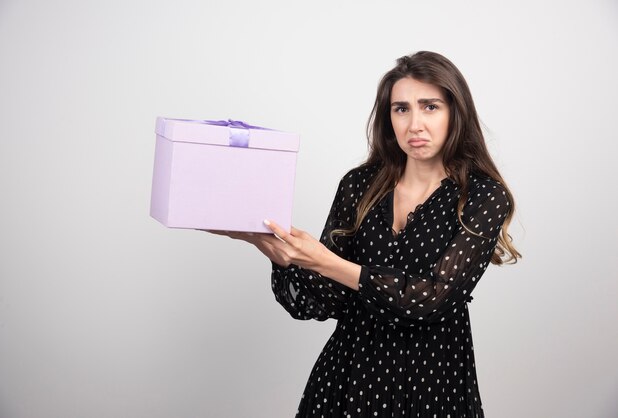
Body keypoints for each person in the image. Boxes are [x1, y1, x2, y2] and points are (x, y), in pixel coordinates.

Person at [214, 50, 520, 417]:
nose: (414, 125)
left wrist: (327, 261)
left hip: (432, 384)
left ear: (456, 112)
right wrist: (278, 253)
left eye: (430, 107)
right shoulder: (360, 184)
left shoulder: (483, 196)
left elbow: (434, 299)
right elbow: (326, 301)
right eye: (401, 109)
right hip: (349, 377)